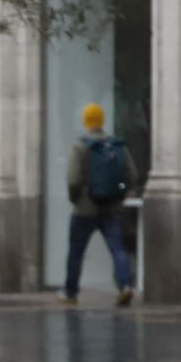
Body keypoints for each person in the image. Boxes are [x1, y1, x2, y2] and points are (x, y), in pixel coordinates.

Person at [61, 102, 145, 308]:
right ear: (102, 121)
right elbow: (132, 175)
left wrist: (75, 199)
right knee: (118, 249)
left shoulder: (79, 147)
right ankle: (125, 287)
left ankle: (71, 293)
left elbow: (73, 180)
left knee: (76, 251)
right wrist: (120, 190)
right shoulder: (116, 146)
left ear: (86, 121)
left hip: (84, 209)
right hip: (112, 207)